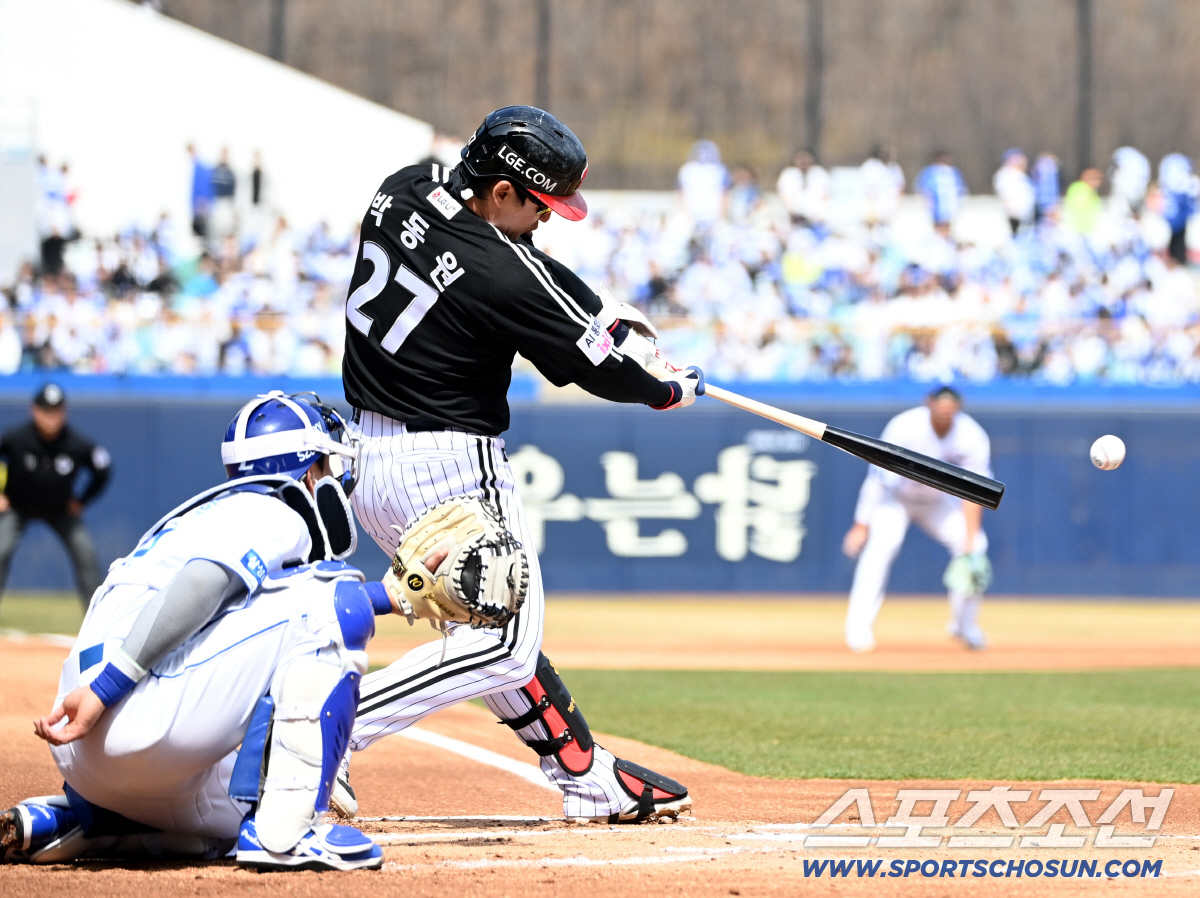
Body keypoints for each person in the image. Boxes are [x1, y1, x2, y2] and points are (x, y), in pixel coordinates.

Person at [337, 105, 698, 824]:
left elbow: (514, 267)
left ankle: (584, 774)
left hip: (369, 466)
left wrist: (598, 307)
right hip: (450, 469)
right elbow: (597, 366)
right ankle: (319, 732)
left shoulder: (401, 187)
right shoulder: (500, 275)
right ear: (502, 192)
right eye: (541, 206)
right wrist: (664, 389)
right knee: (503, 644)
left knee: (486, 627)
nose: (549, 220)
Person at [1, 391, 388, 871]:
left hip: (89, 758)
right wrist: (105, 691)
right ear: (308, 470)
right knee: (334, 598)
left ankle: (94, 820)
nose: (331, 479)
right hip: (118, 708)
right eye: (326, 466)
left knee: (238, 810)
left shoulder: (198, 519)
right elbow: (199, 585)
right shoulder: (272, 512)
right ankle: (285, 836)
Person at [841, 386, 993, 652]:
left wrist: (969, 541)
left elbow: (975, 491)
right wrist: (861, 524)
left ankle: (964, 626)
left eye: (951, 406)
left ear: (959, 407)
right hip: (897, 498)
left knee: (977, 547)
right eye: (941, 405)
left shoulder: (971, 435)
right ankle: (858, 628)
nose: (945, 410)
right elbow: (877, 479)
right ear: (929, 404)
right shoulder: (905, 426)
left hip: (937, 503)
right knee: (880, 549)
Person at [0, 384, 110, 610]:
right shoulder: (16, 438)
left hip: (60, 509)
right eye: (46, 411)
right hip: (18, 507)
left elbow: (103, 469)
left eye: (56, 411)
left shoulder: (76, 444)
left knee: (86, 552)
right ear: (34, 410)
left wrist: (82, 500)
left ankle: (98, 620)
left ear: (64, 412)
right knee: (1, 549)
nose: (51, 417)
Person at [1159, 153, 1198, 266]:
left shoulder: (1189, 182)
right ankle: (1174, 263)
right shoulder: (1184, 182)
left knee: (1179, 241)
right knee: (1174, 241)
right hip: (1176, 217)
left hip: (1180, 217)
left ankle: (1176, 262)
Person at [776, 148, 831, 227]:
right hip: (794, 219)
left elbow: (825, 196)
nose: (803, 161)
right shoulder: (788, 174)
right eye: (800, 158)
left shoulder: (820, 173)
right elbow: (784, 196)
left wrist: (821, 215)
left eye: (806, 158)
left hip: (817, 219)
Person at [915, 151, 967, 228]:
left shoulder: (953, 171)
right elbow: (922, 187)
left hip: (950, 204)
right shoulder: (930, 171)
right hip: (935, 205)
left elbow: (960, 187)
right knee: (938, 223)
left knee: (948, 222)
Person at [992, 149, 1035, 237]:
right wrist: (1013, 214)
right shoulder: (1007, 175)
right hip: (1015, 218)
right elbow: (1006, 196)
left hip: (1024, 218)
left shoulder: (1020, 176)